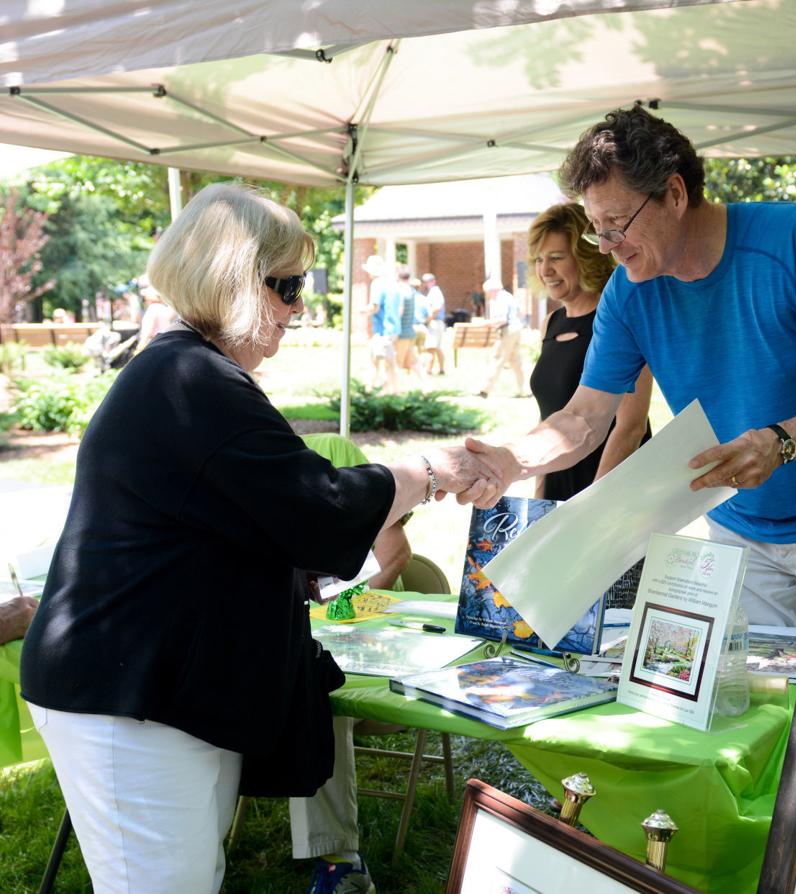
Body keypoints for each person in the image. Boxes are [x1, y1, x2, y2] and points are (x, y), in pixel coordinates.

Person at [18, 183, 494, 894]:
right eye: (289, 287)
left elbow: (274, 514)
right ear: (235, 280)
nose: (300, 309)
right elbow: (318, 506)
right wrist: (430, 470)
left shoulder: (190, 371)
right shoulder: (189, 377)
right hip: (124, 694)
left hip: (160, 687)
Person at [465, 106, 796, 628]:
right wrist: (512, 460)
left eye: (617, 225)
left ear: (675, 195)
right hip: (737, 525)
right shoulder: (628, 294)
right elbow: (585, 418)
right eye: (597, 231)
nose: (609, 249)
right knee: (749, 699)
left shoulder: (794, 241)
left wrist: (781, 441)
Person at [288, 433, 412, 888]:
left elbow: (396, 554)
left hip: (365, 630)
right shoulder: (248, 473)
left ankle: (339, 859)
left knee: (319, 694)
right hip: (293, 632)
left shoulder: (337, 455)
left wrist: (340, 605)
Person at [527, 203, 653, 500]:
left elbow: (631, 426)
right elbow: (547, 417)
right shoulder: (551, 323)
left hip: (612, 484)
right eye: (539, 259)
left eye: (556, 257)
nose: (545, 270)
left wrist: (592, 503)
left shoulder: (619, 317)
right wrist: (539, 492)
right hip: (560, 478)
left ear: (584, 258)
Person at [478, 277, 526, 399]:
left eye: (487, 292)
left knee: (497, 358)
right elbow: (520, 313)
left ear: (492, 290)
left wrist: (487, 323)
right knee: (515, 361)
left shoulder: (500, 299)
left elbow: (502, 319)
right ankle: (523, 389)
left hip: (508, 330)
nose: (487, 295)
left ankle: (485, 389)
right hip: (516, 329)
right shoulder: (509, 296)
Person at [364, 255, 399, 393]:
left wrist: (362, 311)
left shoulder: (377, 284)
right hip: (393, 328)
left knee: (384, 362)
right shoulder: (391, 283)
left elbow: (375, 307)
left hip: (383, 330)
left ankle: (390, 392)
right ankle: (370, 389)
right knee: (377, 361)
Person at [135, 282, 177, 351]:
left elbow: (147, 330)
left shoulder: (153, 308)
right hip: (166, 342)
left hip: (154, 344)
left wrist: (141, 344)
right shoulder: (165, 309)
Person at [420, 272, 447, 375]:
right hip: (438, 322)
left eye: (428, 281)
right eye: (425, 282)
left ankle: (428, 370)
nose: (426, 284)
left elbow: (437, 307)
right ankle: (441, 369)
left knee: (430, 347)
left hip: (435, 322)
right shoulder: (434, 291)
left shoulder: (435, 291)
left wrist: (429, 319)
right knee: (438, 347)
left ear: (434, 281)